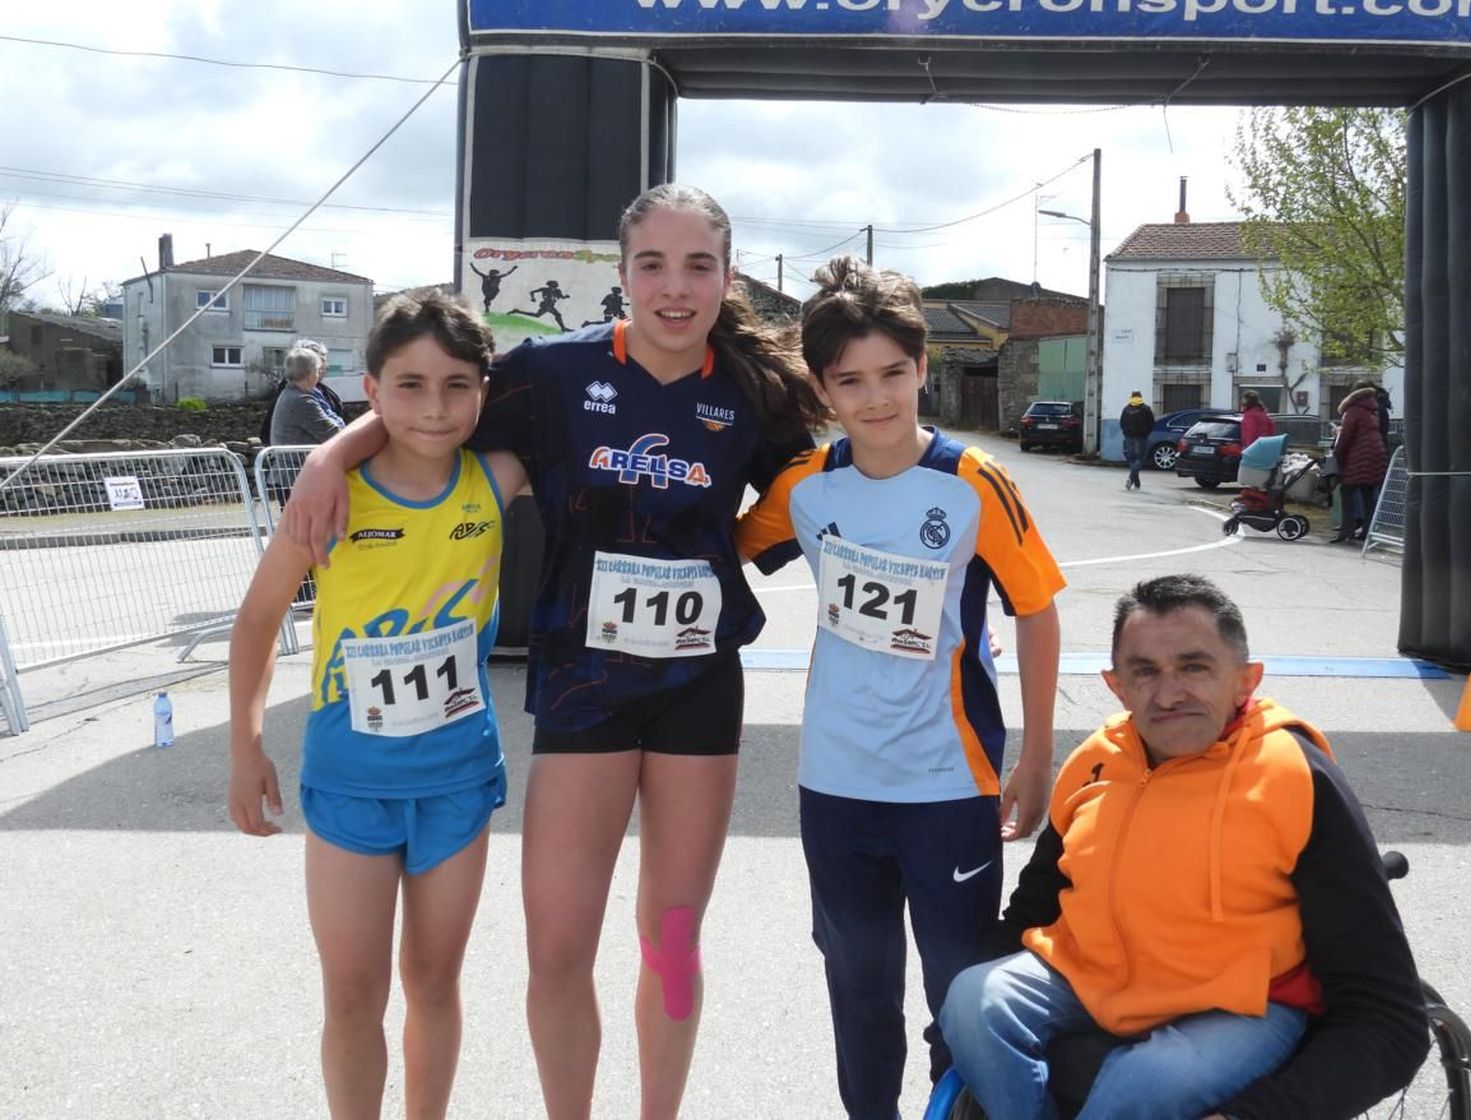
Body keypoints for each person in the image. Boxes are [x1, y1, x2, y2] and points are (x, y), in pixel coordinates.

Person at [281, 183, 827, 1120]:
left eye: (697, 266)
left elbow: (815, 489)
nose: (674, 287)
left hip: (697, 689)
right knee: (559, 951)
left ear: (726, 277)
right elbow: (432, 404)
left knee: (672, 940)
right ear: (622, 275)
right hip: (584, 687)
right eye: (652, 264)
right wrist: (330, 454)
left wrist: (728, 556)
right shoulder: (552, 372)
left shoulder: (754, 392)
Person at [734, 256, 1064, 1120]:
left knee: (960, 990)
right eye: (850, 381)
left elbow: (1037, 609)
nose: (876, 398)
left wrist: (1036, 757)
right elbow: (718, 551)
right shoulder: (807, 488)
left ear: (923, 367)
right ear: (822, 389)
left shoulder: (973, 482)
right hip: (835, 784)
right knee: (858, 983)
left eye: (892, 373)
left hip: (948, 784)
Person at [939, 573, 1429, 1120]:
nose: (1169, 694)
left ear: (1244, 681)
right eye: (1145, 671)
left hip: (1240, 1002)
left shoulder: (1294, 776)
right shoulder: (1096, 761)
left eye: (1194, 667)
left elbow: (1392, 1019)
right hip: (1091, 975)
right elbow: (1037, 901)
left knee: (1145, 1080)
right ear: (1116, 686)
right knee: (972, 1000)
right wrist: (957, 1025)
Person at [227, 289, 529, 1120]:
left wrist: (335, 444)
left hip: (457, 780)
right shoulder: (330, 499)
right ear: (369, 389)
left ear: (483, 390)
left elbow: (565, 381)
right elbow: (256, 621)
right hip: (351, 783)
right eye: (409, 386)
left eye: (457, 386)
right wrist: (245, 747)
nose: (434, 408)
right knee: (353, 995)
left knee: (433, 983)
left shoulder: (499, 477)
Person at [258, 338, 346, 447]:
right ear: (309, 374)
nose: (319, 374)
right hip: (304, 458)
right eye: (317, 371)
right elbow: (334, 434)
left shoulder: (289, 393)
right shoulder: (302, 400)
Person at [1329, 383, 1388, 545]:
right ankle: (1367, 531)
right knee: (1368, 494)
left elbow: (1346, 437)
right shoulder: (1372, 411)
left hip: (1358, 457)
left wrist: (1337, 453)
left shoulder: (1353, 411)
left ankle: (1346, 531)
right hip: (1376, 455)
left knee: (1347, 492)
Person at [1118, 390, 1155, 491]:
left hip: (1128, 436)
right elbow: (1151, 423)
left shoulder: (1126, 409)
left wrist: (1126, 433)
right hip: (1141, 437)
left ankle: (1136, 483)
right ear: (1141, 397)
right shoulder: (1146, 409)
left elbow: (1122, 423)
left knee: (1132, 459)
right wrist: (1146, 433)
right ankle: (1131, 478)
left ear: (1132, 397)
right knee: (1140, 459)